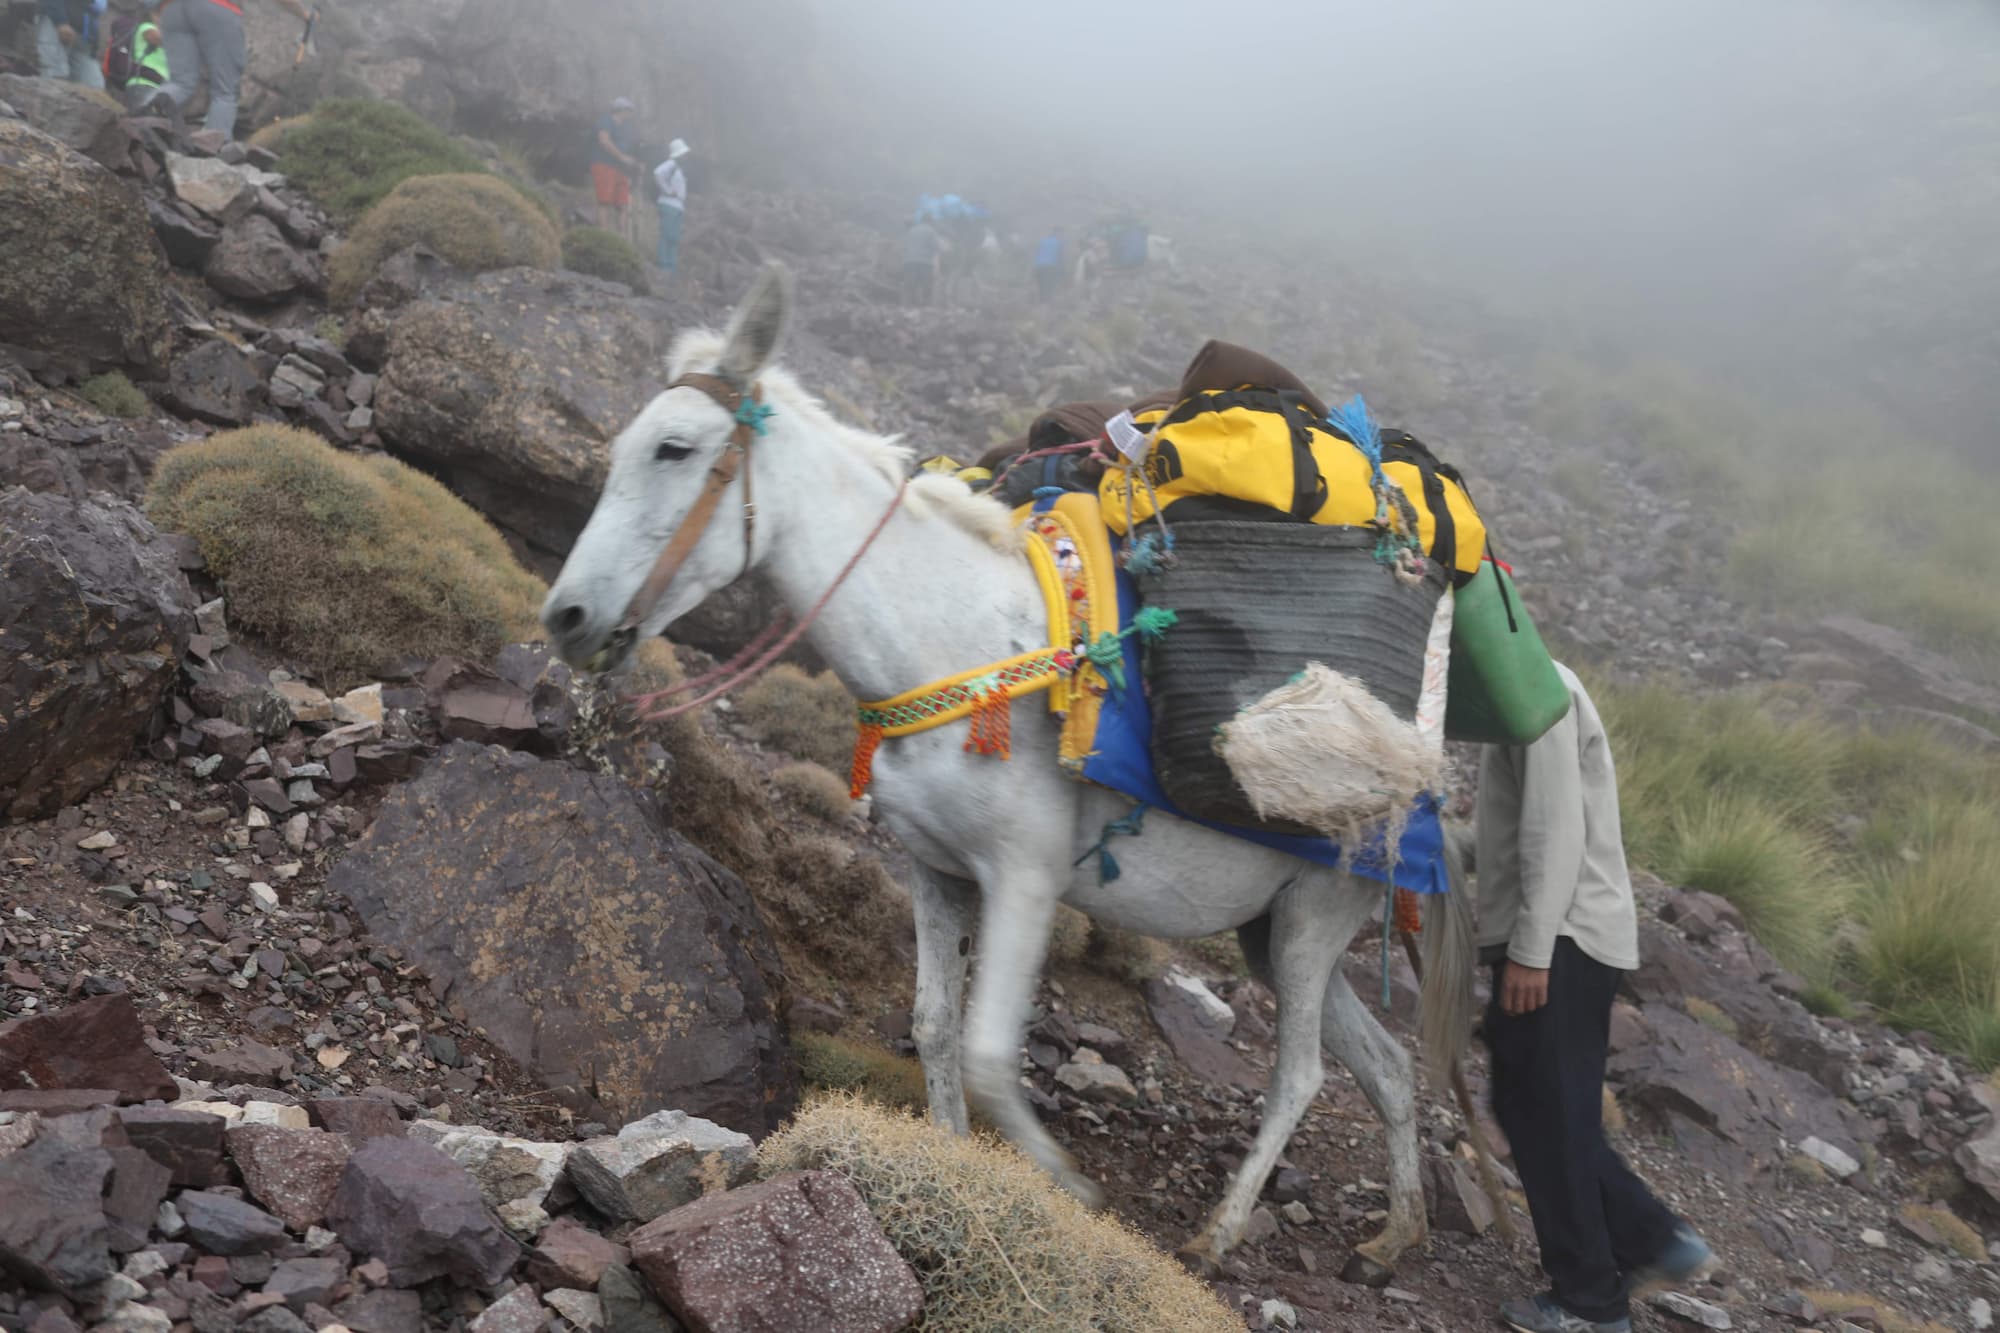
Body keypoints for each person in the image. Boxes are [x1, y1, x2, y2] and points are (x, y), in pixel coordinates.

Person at [1476, 662, 1713, 1333]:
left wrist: (1530, 947)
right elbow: (1518, 836)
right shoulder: (1524, 696)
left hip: (1563, 939)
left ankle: (1590, 1301)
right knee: (1547, 1109)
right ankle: (1655, 1239)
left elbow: (1555, 831)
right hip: (1567, 934)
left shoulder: (1536, 691)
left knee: (1544, 1112)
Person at [151, 0, 308, 138]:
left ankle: (144, 115)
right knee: (225, 90)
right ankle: (216, 142)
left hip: (171, 10)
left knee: (180, 82)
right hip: (215, 8)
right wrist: (306, 15)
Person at [591, 97, 643, 242]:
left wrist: (635, 162)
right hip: (604, 164)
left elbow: (631, 148)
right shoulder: (606, 121)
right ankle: (603, 235)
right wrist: (621, 157)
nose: (630, 113)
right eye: (628, 110)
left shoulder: (626, 128)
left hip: (621, 170)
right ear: (620, 109)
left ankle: (622, 238)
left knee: (623, 203)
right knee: (604, 200)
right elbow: (604, 140)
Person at [104, 2, 170, 105]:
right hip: (143, 85)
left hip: (158, 88)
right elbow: (155, 38)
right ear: (152, 15)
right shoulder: (146, 27)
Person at [37, 0, 108, 87]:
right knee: (56, 74)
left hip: (84, 40)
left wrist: (93, 46)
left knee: (94, 85)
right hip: (55, 24)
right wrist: (60, 21)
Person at [651, 137, 690, 274]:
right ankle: (664, 266)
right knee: (667, 236)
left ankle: (671, 267)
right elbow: (657, 173)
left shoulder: (677, 167)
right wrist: (667, 190)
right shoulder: (671, 164)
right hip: (669, 205)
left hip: (677, 206)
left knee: (673, 237)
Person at [902, 216, 943, 305]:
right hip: (925, 262)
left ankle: (907, 305)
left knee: (910, 284)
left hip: (909, 260)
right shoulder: (931, 231)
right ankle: (925, 305)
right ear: (930, 221)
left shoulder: (911, 230)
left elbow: (905, 246)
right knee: (926, 284)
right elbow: (936, 247)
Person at [1032, 226, 1065, 301]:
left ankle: (1042, 304)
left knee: (1041, 287)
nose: (1062, 236)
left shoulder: (1043, 241)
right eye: (1061, 234)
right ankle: (1047, 305)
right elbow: (1060, 257)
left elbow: (1037, 253)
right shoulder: (1058, 243)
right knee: (1049, 287)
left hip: (1039, 267)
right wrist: (1062, 270)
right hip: (1050, 267)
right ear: (1058, 233)